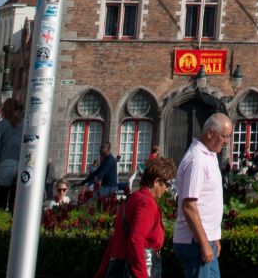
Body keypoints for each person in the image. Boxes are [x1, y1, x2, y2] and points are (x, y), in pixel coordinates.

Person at [172, 112, 233, 278]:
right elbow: (189, 206)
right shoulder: (196, 160)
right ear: (210, 133)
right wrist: (205, 243)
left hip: (204, 239)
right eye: (224, 136)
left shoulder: (209, 155)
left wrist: (213, 237)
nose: (226, 141)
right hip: (194, 241)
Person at [96, 155, 176, 278]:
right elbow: (136, 240)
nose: (166, 189)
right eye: (166, 184)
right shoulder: (147, 203)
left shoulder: (131, 199)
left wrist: (101, 272)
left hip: (118, 264)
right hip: (143, 267)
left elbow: (116, 239)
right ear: (157, 182)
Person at [0, 102, 23, 215]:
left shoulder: (1, 125)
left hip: (5, 164)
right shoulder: (24, 125)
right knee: (14, 205)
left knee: (1, 205)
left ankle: (1, 227)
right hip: (21, 165)